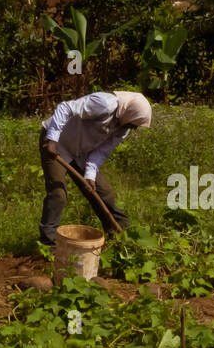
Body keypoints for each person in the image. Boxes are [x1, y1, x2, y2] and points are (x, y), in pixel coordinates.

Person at [38, 90, 151, 246]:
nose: (133, 128)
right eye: (134, 124)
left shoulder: (123, 128)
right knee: (58, 194)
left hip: (80, 152)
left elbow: (101, 152)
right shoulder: (104, 104)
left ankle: (120, 238)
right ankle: (47, 245)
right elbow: (66, 107)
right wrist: (52, 139)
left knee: (104, 193)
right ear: (130, 113)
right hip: (57, 145)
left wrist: (90, 176)